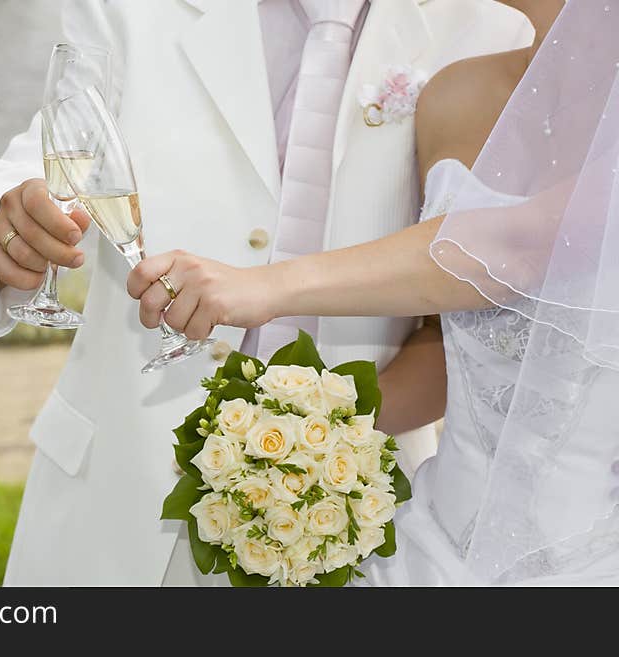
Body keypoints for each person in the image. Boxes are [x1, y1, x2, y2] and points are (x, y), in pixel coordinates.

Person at [0, 0, 531, 586]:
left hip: (350, 527)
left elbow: (483, 318)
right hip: (115, 505)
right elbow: (47, 150)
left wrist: (329, 444)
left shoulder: (489, 28)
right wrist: (4, 225)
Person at [128, 0, 619, 584]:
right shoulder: (457, 94)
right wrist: (305, 443)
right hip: (423, 550)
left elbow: (526, 246)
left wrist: (268, 286)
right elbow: (446, 334)